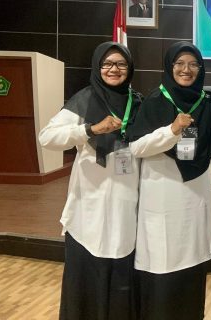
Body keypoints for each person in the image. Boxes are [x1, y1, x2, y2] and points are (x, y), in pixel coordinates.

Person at [38, 42, 142, 320]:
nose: (114, 69)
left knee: (121, 279)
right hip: (88, 207)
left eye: (121, 63)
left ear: (130, 68)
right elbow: (47, 137)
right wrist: (90, 129)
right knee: (86, 278)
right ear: (97, 66)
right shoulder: (84, 99)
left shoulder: (139, 103)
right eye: (107, 63)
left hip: (126, 205)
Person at [128, 42, 211, 320]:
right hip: (162, 196)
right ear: (170, 67)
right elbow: (136, 147)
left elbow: (210, 148)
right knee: (163, 262)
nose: (186, 69)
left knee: (192, 264)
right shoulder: (154, 101)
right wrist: (171, 131)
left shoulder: (207, 103)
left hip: (195, 195)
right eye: (180, 63)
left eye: (193, 64)